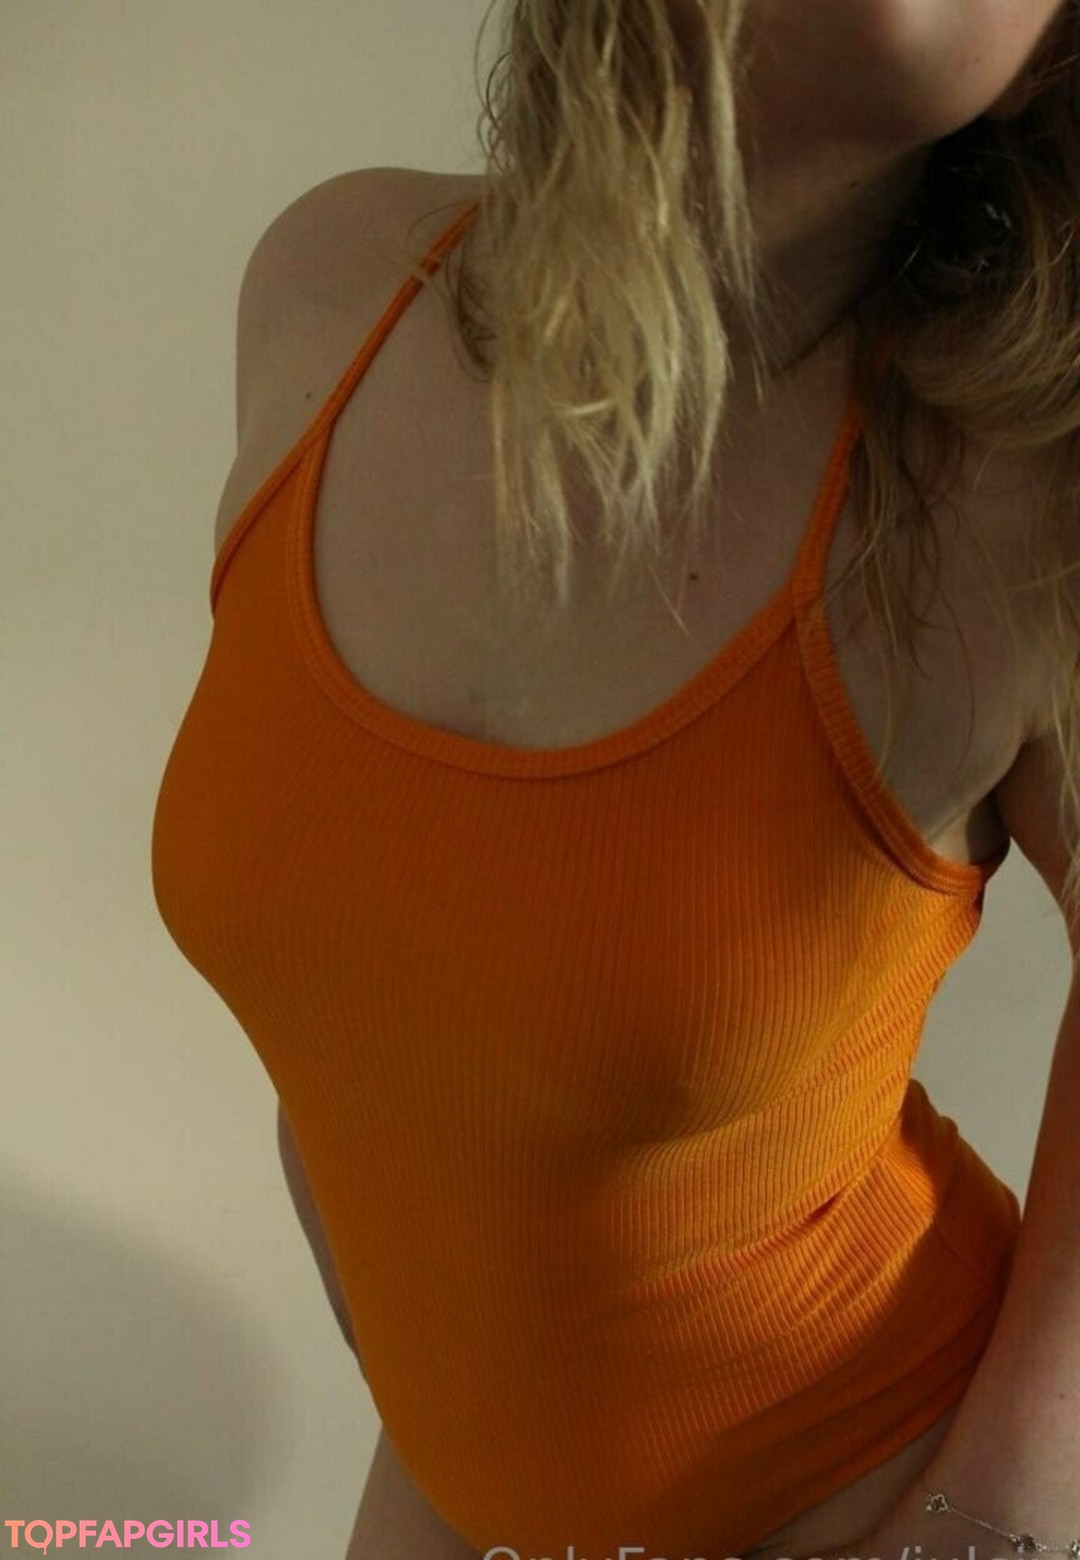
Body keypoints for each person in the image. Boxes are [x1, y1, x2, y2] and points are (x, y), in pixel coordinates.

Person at [151, 2, 1080, 1556]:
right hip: (456, 1489)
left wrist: (993, 1512)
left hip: (861, 1496)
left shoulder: (1020, 491)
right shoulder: (327, 285)